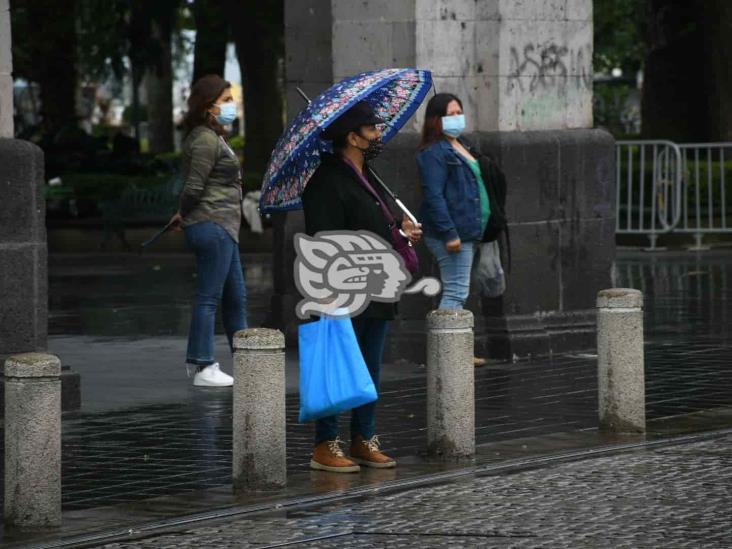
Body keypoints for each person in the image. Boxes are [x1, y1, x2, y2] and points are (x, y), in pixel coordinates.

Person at [301, 101, 422, 473]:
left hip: (378, 286)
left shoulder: (369, 176)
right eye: (372, 129)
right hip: (345, 290)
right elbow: (325, 239)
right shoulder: (326, 180)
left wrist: (401, 232)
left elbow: (374, 227)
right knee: (339, 363)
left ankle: (363, 438)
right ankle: (326, 443)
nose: (378, 135)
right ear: (352, 137)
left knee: (369, 367)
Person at [169, 74, 247, 387]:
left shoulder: (214, 137)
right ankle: (202, 364)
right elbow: (194, 186)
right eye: (225, 100)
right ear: (207, 105)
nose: (232, 105)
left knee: (236, 298)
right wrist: (183, 213)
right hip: (212, 224)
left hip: (224, 225)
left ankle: (247, 360)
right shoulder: (203, 139)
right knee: (209, 298)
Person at [416, 93, 491, 367]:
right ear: (437, 120)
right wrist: (450, 233)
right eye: (451, 113)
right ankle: (447, 352)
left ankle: (452, 348)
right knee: (456, 290)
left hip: (470, 231)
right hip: (452, 234)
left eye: (460, 111)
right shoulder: (433, 153)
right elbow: (433, 196)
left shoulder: (462, 144)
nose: (458, 117)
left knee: (458, 289)